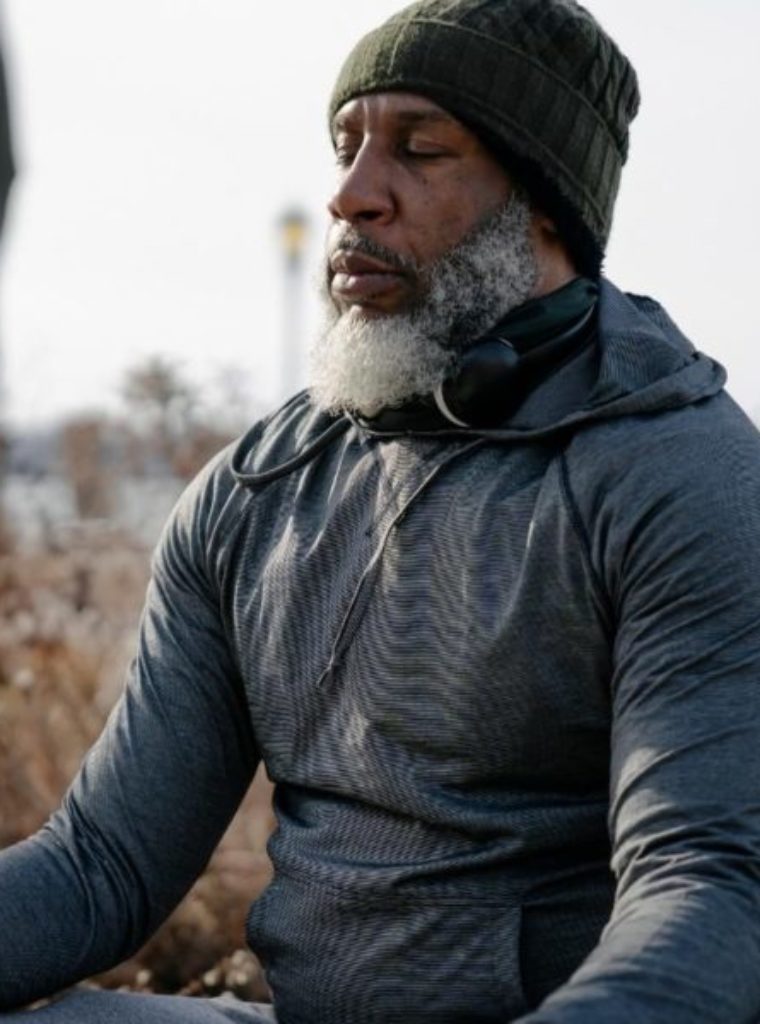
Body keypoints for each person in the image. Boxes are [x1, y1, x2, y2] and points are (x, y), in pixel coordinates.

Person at [3, 0, 760, 1021]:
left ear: (542, 197)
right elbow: (101, 864)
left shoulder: (683, 477)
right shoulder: (252, 490)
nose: (351, 196)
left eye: (420, 149)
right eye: (346, 146)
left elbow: (708, 881)